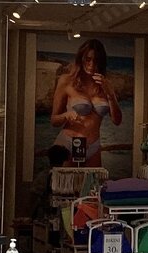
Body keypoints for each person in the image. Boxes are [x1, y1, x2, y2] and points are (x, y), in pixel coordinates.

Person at [50, 39, 123, 168]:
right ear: (81, 59)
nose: (92, 64)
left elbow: (117, 121)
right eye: (88, 59)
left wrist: (110, 94)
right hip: (68, 144)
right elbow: (54, 120)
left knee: (95, 182)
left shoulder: (105, 85)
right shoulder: (66, 81)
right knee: (66, 181)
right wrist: (67, 115)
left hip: (93, 146)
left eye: (96, 60)